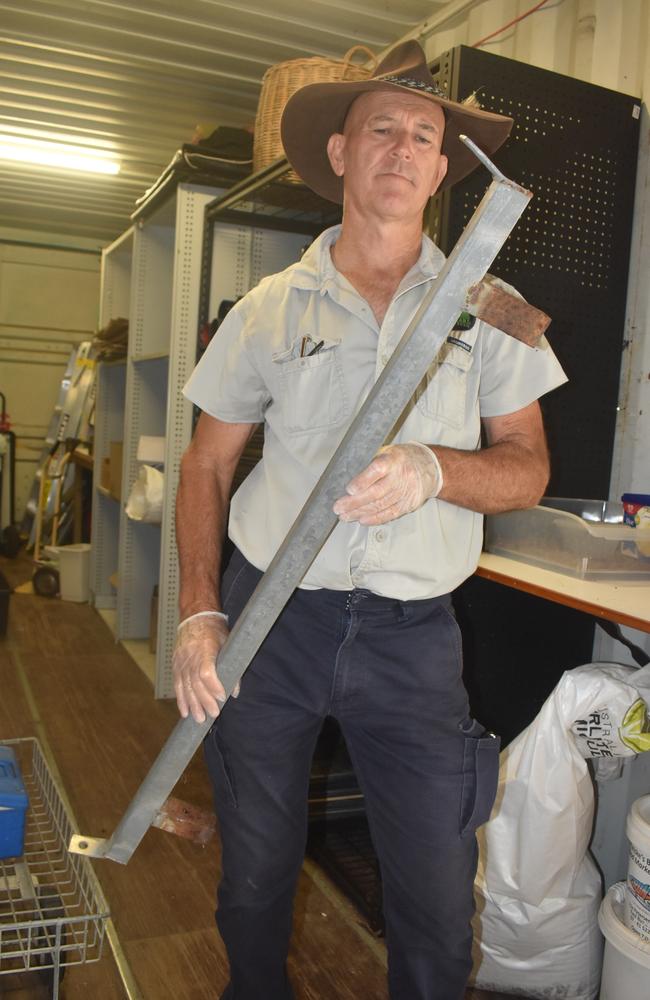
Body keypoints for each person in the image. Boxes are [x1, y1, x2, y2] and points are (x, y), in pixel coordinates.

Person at [173, 40, 567, 1000]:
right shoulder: (266, 310)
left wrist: (437, 469)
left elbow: (527, 469)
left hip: (413, 639)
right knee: (257, 869)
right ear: (342, 153)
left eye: (423, 136)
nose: (401, 148)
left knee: (434, 891)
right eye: (380, 129)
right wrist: (196, 612)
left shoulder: (490, 308)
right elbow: (207, 463)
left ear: (440, 171)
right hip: (272, 619)